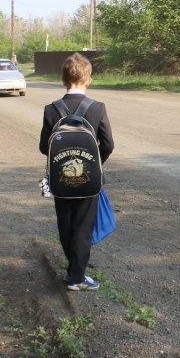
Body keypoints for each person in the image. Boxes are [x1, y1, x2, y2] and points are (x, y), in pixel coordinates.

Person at [38, 53, 114, 291]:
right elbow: (108, 144)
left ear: (62, 79)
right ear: (88, 79)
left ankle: (73, 271)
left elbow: (43, 147)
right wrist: (93, 163)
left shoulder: (51, 110)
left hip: (60, 180)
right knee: (83, 227)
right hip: (88, 181)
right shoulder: (97, 108)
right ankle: (77, 278)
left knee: (66, 225)